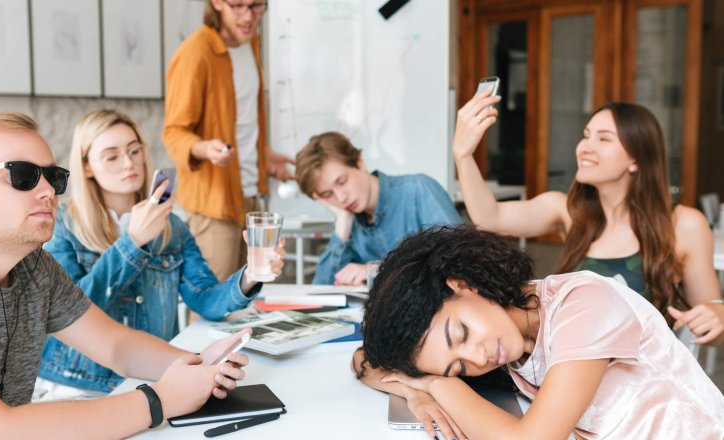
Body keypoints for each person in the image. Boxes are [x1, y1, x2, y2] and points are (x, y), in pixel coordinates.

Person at [0, 112, 250, 439]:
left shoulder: (34, 267)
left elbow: (116, 346)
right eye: (23, 175)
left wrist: (202, 365)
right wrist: (160, 400)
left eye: (53, 176)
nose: (48, 190)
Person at [356, 225, 724, 439]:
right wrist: (413, 390)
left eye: (462, 334)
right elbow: (365, 360)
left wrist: (438, 384)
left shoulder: (585, 303)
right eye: (457, 368)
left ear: (463, 284)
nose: (476, 358)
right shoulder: (509, 338)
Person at [36, 109, 285, 398]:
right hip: (77, 381)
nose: (128, 163)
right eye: (112, 156)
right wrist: (133, 242)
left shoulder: (172, 227)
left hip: (153, 375)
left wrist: (250, 276)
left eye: (134, 151)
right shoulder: (63, 226)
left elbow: (205, 299)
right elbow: (70, 312)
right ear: (87, 166)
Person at [454, 94, 724, 345]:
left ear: (636, 160)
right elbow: (489, 217)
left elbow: (712, 319)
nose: (585, 147)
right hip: (565, 359)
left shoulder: (683, 225)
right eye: (586, 136)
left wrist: (717, 315)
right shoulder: (568, 212)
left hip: (636, 380)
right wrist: (463, 154)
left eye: (604, 139)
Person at [163, 0, 294, 281]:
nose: (248, 16)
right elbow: (174, 133)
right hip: (215, 203)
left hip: (249, 196)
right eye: (238, 6)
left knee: (245, 299)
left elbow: (240, 122)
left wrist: (263, 155)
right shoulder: (195, 53)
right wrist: (205, 148)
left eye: (256, 6)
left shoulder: (251, 44)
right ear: (217, 3)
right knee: (213, 302)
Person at [294, 131, 460, 285]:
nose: (341, 198)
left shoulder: (419, 190)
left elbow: (457, 261)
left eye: (342, 181)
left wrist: (377, 270)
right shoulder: (349, 219)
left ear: (360, 162)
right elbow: (321, 289)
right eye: (328, 194)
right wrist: (342, 223)